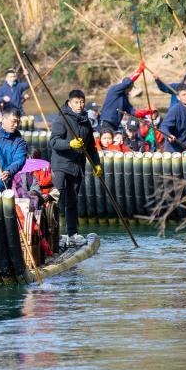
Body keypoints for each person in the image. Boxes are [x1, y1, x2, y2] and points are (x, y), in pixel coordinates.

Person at [48, 89, 102, 249]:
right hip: (61, 165)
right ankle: (54, 235)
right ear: (70, 102)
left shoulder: (86, 121)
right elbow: (54, 142)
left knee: (73, 201)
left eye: (82, 102)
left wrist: (96, 163)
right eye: (76, 102)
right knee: (56, 200)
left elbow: (91, 146)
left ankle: (72, 234)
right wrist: (69, 144)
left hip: (77, 166)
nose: (80, 105)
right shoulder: (61, 119)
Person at [100, 62, 146, 132]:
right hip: (107, 122)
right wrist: (139, 71)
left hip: (115, 125)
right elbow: (127, 82)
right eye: (130, 87)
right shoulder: (114, 89)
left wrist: (147, 112)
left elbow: (132, 111)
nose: (131, 89)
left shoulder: (125, 98)